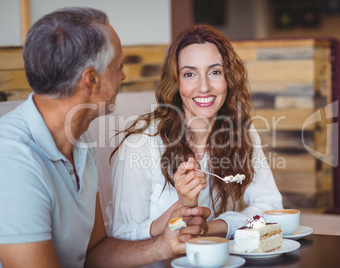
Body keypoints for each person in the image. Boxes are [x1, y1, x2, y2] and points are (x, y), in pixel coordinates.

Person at [0, 7, 210, 268]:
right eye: (118, 67)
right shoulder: (11, 158)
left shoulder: (80, 138)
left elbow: (96, 251)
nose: (122, 75)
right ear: (91, 80)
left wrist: (164, 245)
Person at [107, 24, 283, 241]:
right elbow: (122, 236)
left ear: (229, 79)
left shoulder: (241, 132)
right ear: (176, 83)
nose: (204, 87)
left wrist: (212, 227)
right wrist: (181, 208)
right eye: (189, 74)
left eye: (215, 72)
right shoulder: (140, 144)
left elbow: (270, 207)